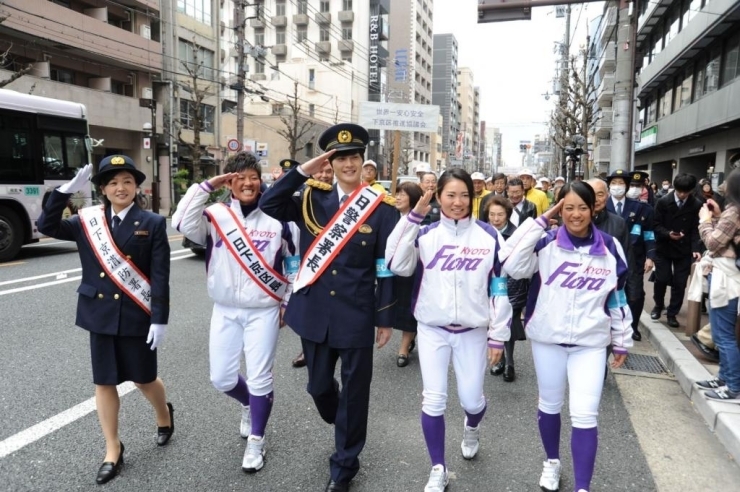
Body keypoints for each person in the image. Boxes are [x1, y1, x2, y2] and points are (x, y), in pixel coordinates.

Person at [259, 123, 398, 492]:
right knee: (319, 389)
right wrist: (303, 170)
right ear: (330, 162)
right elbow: (268, 202)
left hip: (356, 314)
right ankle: (347, 426)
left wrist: (384, 317)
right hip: (314, 311)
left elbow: (385, 267)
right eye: (340, 158)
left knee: (355, 393)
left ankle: (343, 466)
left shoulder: (381, 209)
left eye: (354, 157)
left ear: (363, 160)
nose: (348, 164)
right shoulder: (310, 197)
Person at [37, 156, 173, 485]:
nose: (120, 187)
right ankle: (113, 448)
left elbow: (159, 275)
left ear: (136, 186)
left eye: (126, 181)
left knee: (143, 378)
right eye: (112, 182)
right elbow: (46, 227)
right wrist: (63, 192)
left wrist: (160, 318)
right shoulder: (87, 221)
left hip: (136, 314)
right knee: (105, 382)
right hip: (98, 315)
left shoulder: (152, 222)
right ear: (103, 190)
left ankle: (164, 415)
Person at [500, 181, 632, 492]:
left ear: (594, 208)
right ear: (559, 208)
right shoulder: (544, 243)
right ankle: (551, 462)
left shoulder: (611, 247)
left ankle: (582, 486)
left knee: (585, 415)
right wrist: (542, 220)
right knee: (550, 405)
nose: (575, 214)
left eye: (582, 207)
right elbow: (510, 262)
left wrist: (622, 338)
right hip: (549, 340)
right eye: (568, 207)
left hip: (591, 345)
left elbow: (618, 298)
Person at [172, 152, 300, 473]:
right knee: (222, 377)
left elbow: (294, 267)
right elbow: (181, 222)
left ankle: (257, 439)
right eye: (238, 177)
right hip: (225, 309)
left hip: (264, 310)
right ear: (229, 182)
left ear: (260, 181)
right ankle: (247, 405)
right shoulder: (215, 217)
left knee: (260, 377)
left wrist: (287, 303)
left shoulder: (279, 223)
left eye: (252, 177)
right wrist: (207, 186)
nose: (247, 183)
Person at [386, 168, 511, 492]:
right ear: (438, 197)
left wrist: (498, 333)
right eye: (450, 195)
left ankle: (472, 427)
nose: (458, 202)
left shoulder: (489, 236)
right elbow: (396, 263)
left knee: (472, 401)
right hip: (432, 329)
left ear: (473, 197)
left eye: (464, 195)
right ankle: (438, 467)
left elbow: (499, 288)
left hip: (472, 331)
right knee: (434, 400)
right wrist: (414, 216)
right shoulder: (425, 235)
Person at [695, 169, 740, 403]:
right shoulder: (732, 212)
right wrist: (717, 217)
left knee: (723, 334)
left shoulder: (734, 211)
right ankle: (724, 378)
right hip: (730, 275)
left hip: (726, 277)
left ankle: (732, 385)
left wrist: (705, 222)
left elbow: (713, 242)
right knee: (723, 331)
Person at [292, 158, 335, 369]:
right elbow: (271, 202)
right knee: (308, 317)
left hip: (336, 273)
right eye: (320, 171)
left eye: (329, 171)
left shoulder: (345, 199)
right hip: (310, 267)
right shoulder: (302, 196)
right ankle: (306, 350)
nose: (325, 175)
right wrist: (299, 172)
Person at [604, 170, 656, 341]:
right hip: (607, 258)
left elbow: (649, 234)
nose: (617, 186)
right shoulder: (602, 206)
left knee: (636, 295)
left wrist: (650, 256)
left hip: (634, 258)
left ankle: (632, 326)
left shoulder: (642, 208)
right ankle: (609, 325)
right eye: (614, 183)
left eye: (621, 183)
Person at [484, 195, 527, 382]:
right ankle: (498, 360)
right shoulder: (481, 234)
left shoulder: (516, 234)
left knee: (509, 324)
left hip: (512, 286)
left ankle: (509, 363)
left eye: (500, 214)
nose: (495, 218)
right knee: (492, 322)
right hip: (488, 286)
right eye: (492, 214)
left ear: (507, 215)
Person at [651, 173, 702, 328]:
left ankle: (672, 313)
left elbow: (696, 229)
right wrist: (668, 234)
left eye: (685, 192)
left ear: (691, 190)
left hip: (684, 249)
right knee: (662, 278)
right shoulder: (663, 202)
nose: (682, 194)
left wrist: (696, 248)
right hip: (664, 246)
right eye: (679, 191)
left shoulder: (696, 204)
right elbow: (655, 224)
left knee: (680, 283)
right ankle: (658, 305)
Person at [392, 181, 423, 367]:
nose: (398, 197)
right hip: (389, 270)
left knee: (407, 309)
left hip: (411, 270)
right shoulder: (390, 216)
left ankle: (403, 347)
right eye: (397, 193)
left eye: (403, 194)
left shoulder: (418, 220)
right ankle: (409, 338)